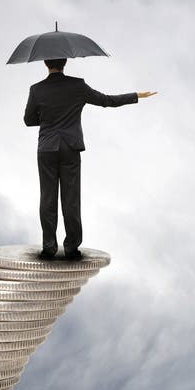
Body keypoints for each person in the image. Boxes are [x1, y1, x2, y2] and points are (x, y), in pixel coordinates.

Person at [24, 58, 157, 260]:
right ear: (65, 61)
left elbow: (28, 120)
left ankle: (49, 246)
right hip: (70, 147)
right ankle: (71, 247)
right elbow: (106, 101)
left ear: (45, 62)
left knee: (47, 198)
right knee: (71, 198)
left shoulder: (36, 89)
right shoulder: (78, 86)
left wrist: (47, 119)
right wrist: (135, 96)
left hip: (47, 148)